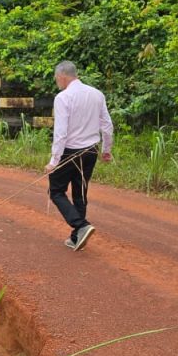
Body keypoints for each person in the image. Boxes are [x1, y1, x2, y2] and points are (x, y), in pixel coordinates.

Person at [45, 61, 113, 251]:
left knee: (56, 191)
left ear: (62, 76)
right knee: (80, 194)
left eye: (56, 78)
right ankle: (77, 238)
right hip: (90, 151)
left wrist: (53, 161)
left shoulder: (63, 97)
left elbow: (60, 133)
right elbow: (107, 126)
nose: (56, 81)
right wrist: (106, 150)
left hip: (69, 152)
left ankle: (80, 226)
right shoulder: (96, 94)